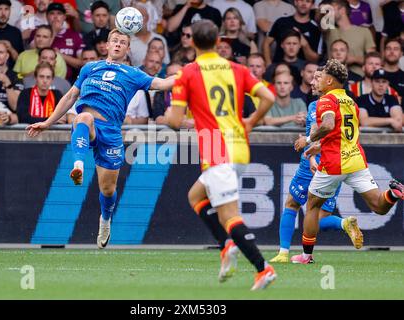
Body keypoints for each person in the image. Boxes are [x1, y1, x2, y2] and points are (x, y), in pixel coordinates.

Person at [26, 28, 176, 249]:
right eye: (113, 41)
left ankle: (105, 218)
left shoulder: (133, 74)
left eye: (121, 42)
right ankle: (77, 164)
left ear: (127, 49)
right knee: (83, 117)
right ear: (107, 45)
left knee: (107, 189)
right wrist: (48, 122)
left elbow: (163, 84)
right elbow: (70, 96)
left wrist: (191, 73)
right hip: (89, 126)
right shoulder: (90, 68)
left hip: (111, 133)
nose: (116, 44)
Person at [165, 19, 277, 290]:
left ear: (191, 42)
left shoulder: (188, 74)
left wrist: (169, 115)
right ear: (218, 42)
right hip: (239, 144)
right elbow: (269, 98)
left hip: (217, 148)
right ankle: (226, 245)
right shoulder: (237, 69)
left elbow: (175, 121)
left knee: (229, 216)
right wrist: (251, 121)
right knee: (196, 196)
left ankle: (263, 268)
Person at [291, 59, 404, 264]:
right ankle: (394, 193)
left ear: (330, 81)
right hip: (356, 159)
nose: (318, 79)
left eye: (323, 76)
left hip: (334, 163)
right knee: (379, 205)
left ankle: (306, 256)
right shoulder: (350, 101)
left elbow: (327, 125)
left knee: (313, 206)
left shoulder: (326, 100)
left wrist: (307, 140)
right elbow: (341, 133)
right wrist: (319, 146)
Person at [270, 68, 363, 263]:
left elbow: (316, 132)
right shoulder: (344, 103)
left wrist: (311, 157)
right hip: (337, 163)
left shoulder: (318, 105)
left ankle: (283, 253)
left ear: (328, 82)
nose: (313, 82)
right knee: (319, 216)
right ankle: (344, 223)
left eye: (317, 78)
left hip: (315, 164)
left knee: (292, 204)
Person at [263, 0, 321, 66]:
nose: (304, 3)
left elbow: (315, 60)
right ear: (295, 2)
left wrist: (305, 44)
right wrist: (268, 63)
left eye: (308, 1)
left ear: (312, 5)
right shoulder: (281, 22)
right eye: (301, 1)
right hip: (278, 68)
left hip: (302, 71)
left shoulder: (315, 29)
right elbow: (266, 43)